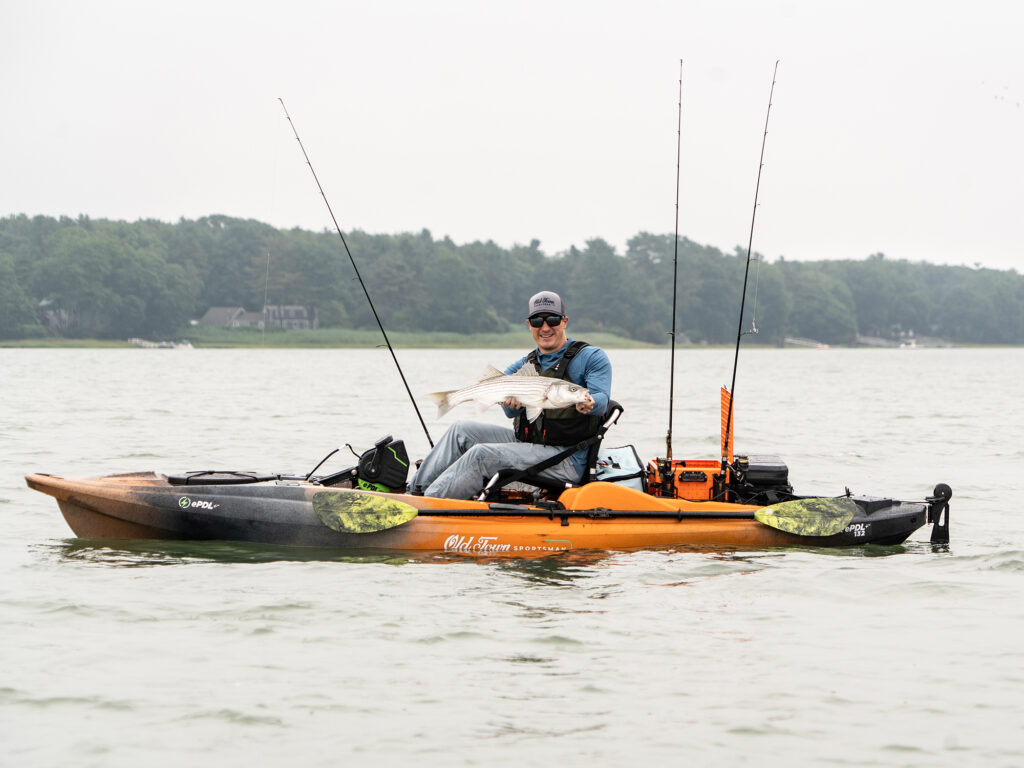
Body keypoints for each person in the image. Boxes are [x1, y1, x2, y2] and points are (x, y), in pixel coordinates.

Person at [408, 290, 612, 499]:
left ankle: (429, 504)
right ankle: (413, 492)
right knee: (460, 430)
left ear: (564, 321)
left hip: (566, 459)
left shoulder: (590, 356)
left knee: (482, 454)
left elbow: (602, 401)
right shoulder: (524, 364)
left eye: (552, 320)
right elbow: (508, 412)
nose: (545, 327)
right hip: (528, 444)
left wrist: (591, 403)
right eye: (537, 321)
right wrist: (513, 404)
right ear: (528, 324)